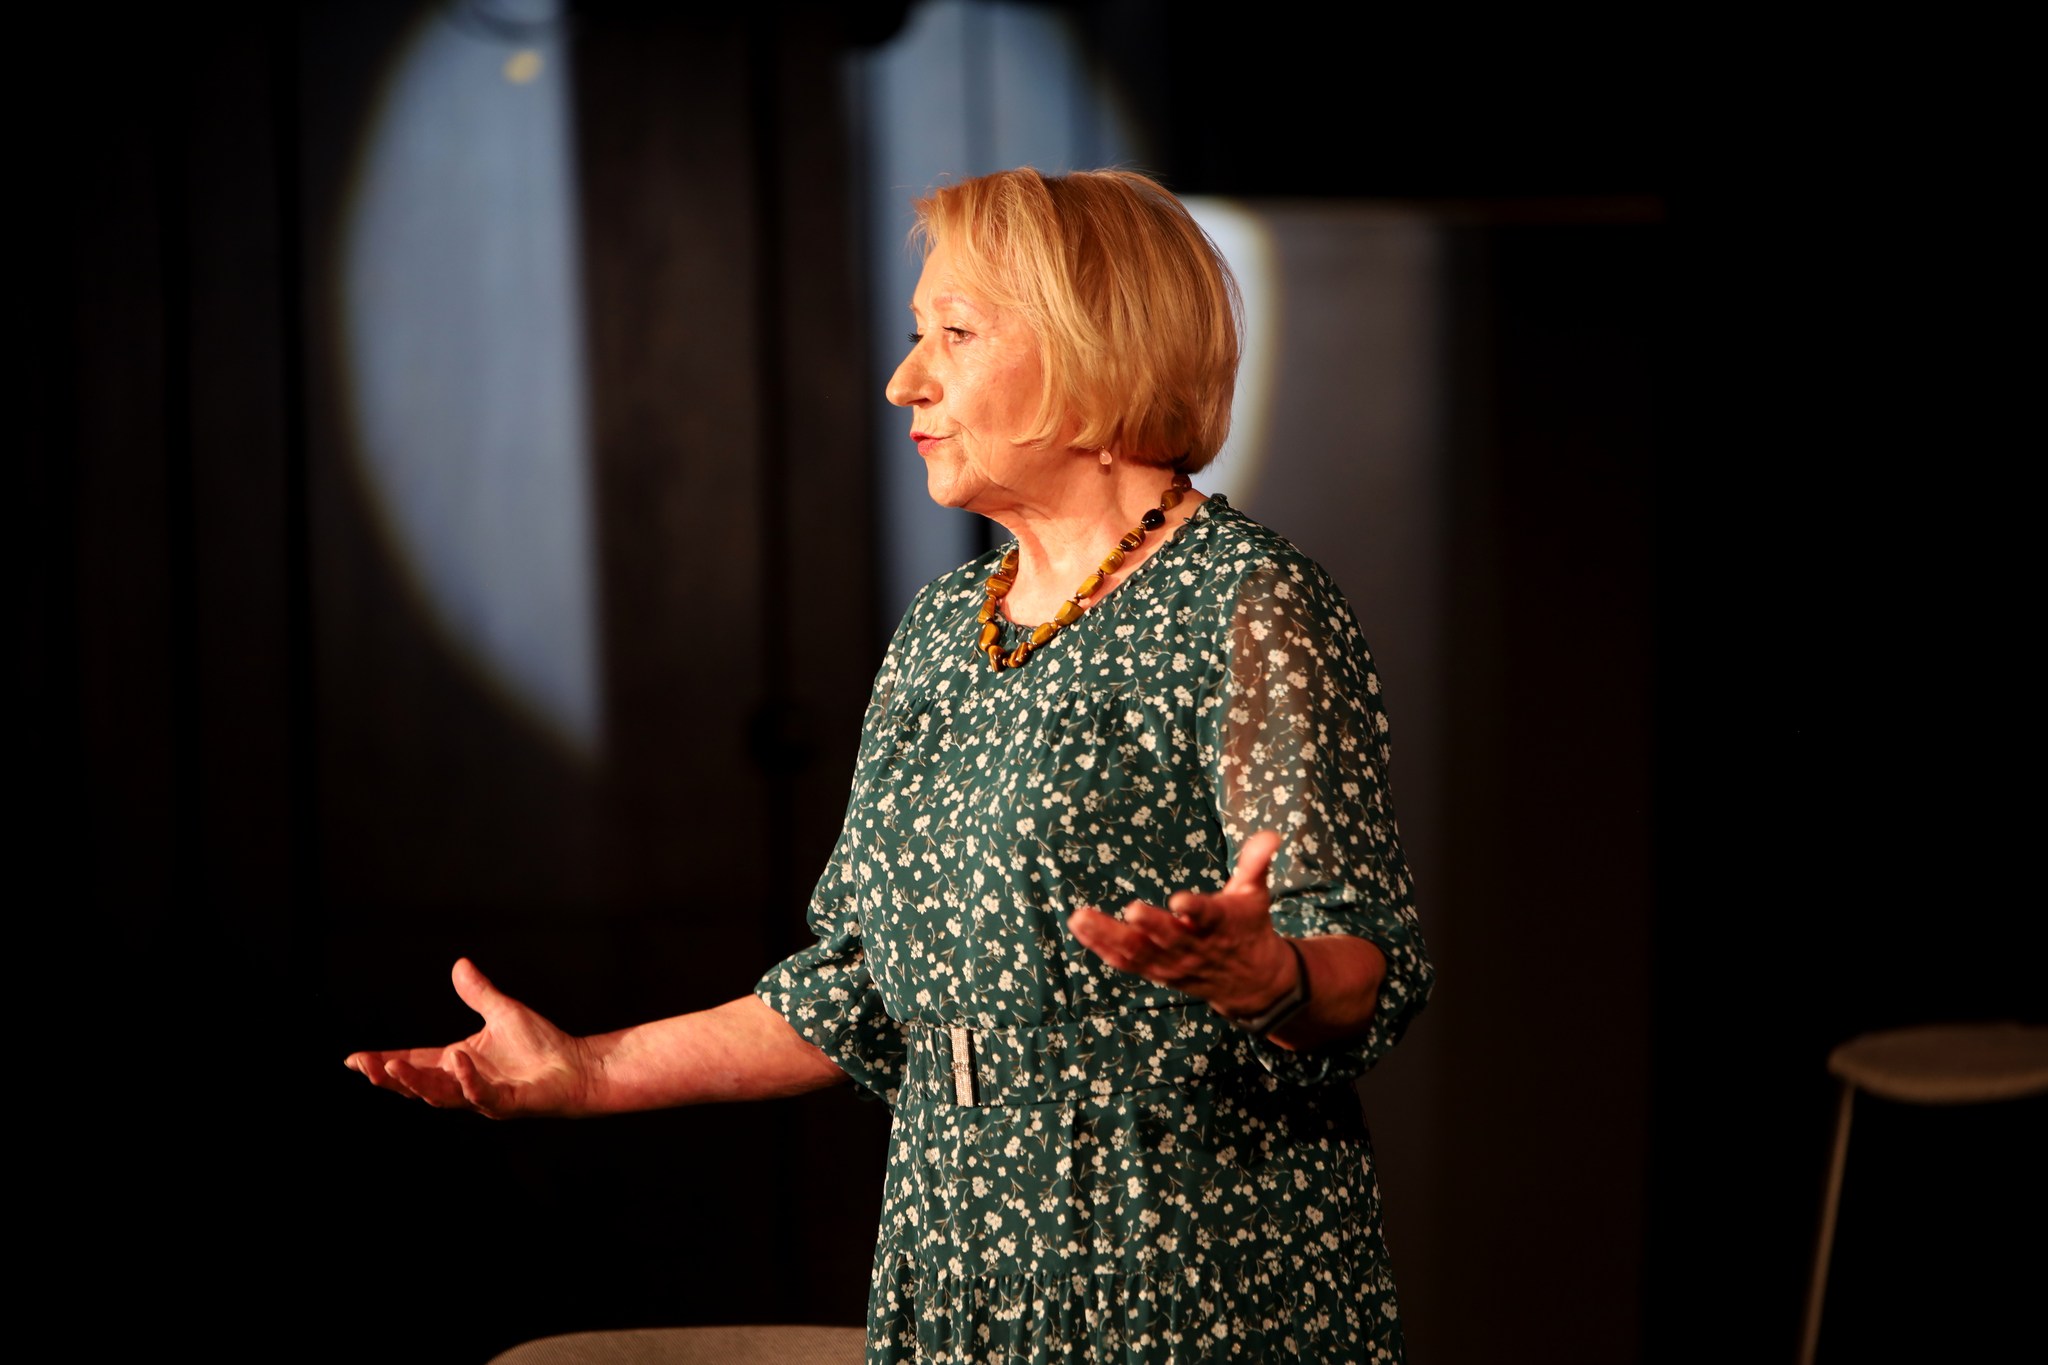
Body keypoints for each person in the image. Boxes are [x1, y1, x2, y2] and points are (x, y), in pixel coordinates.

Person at [347, 167, 1433, 1364]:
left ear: (1096, 350)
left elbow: (1366, 965)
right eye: (917, 335)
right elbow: (859, 990)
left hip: (1178, 1277)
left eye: (953, 335)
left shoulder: (1245, 604)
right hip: (954, 1267)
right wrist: (587, 1071)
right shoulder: (943, 628)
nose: (904, 380)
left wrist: (1270, 977)